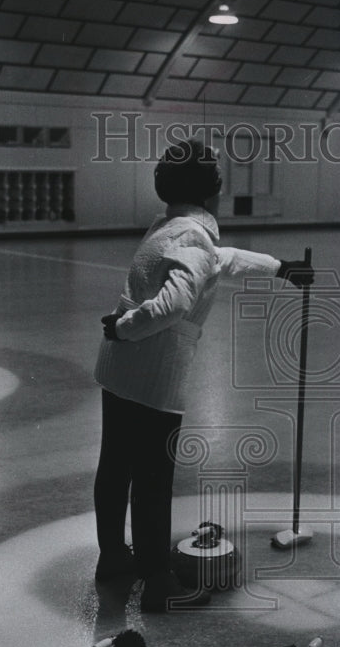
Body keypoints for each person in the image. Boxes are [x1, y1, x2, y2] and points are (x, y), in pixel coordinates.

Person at [93, 138, 313, 613]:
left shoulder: (172, 226)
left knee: (116, 466)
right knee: (152, 477)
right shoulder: (193, 236)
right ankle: (157, 582)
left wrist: (280, 269)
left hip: (120, 370)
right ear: (211, 191)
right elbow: (174, 304)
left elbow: (219, 258)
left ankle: (113, 557)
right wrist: (127, 327)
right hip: (153, 375)